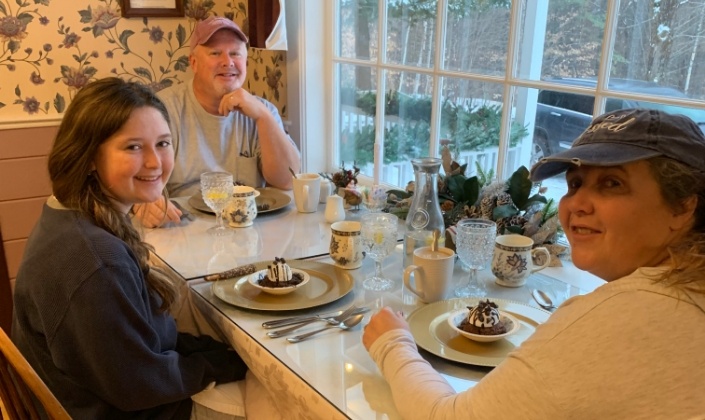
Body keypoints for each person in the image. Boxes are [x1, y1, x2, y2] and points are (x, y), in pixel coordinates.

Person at [362, 108, 705, 418]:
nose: (578, 203)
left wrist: (392, 343)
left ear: (683, 207)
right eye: (575, 184)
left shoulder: (632, 314)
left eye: (612, 183)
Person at [11, 77, 248, 419]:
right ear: (89, 156)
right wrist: (217, 366)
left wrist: (208, 355)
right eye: (133, 147)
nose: (155, 162)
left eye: (163, 143)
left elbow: (136, 346)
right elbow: (139, 385)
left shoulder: (68, 213)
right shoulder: (96, 261)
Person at [134, 16, 301, 227]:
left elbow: (287, 180)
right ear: (193, 63)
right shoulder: (162, 110)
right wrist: (146, 200)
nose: (227, 62)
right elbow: (138, 176)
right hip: (181, 225)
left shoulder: (263, 110)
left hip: (246, 229)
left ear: (245, 63)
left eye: (235, 54)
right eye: (215, 53)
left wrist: (264, 118)